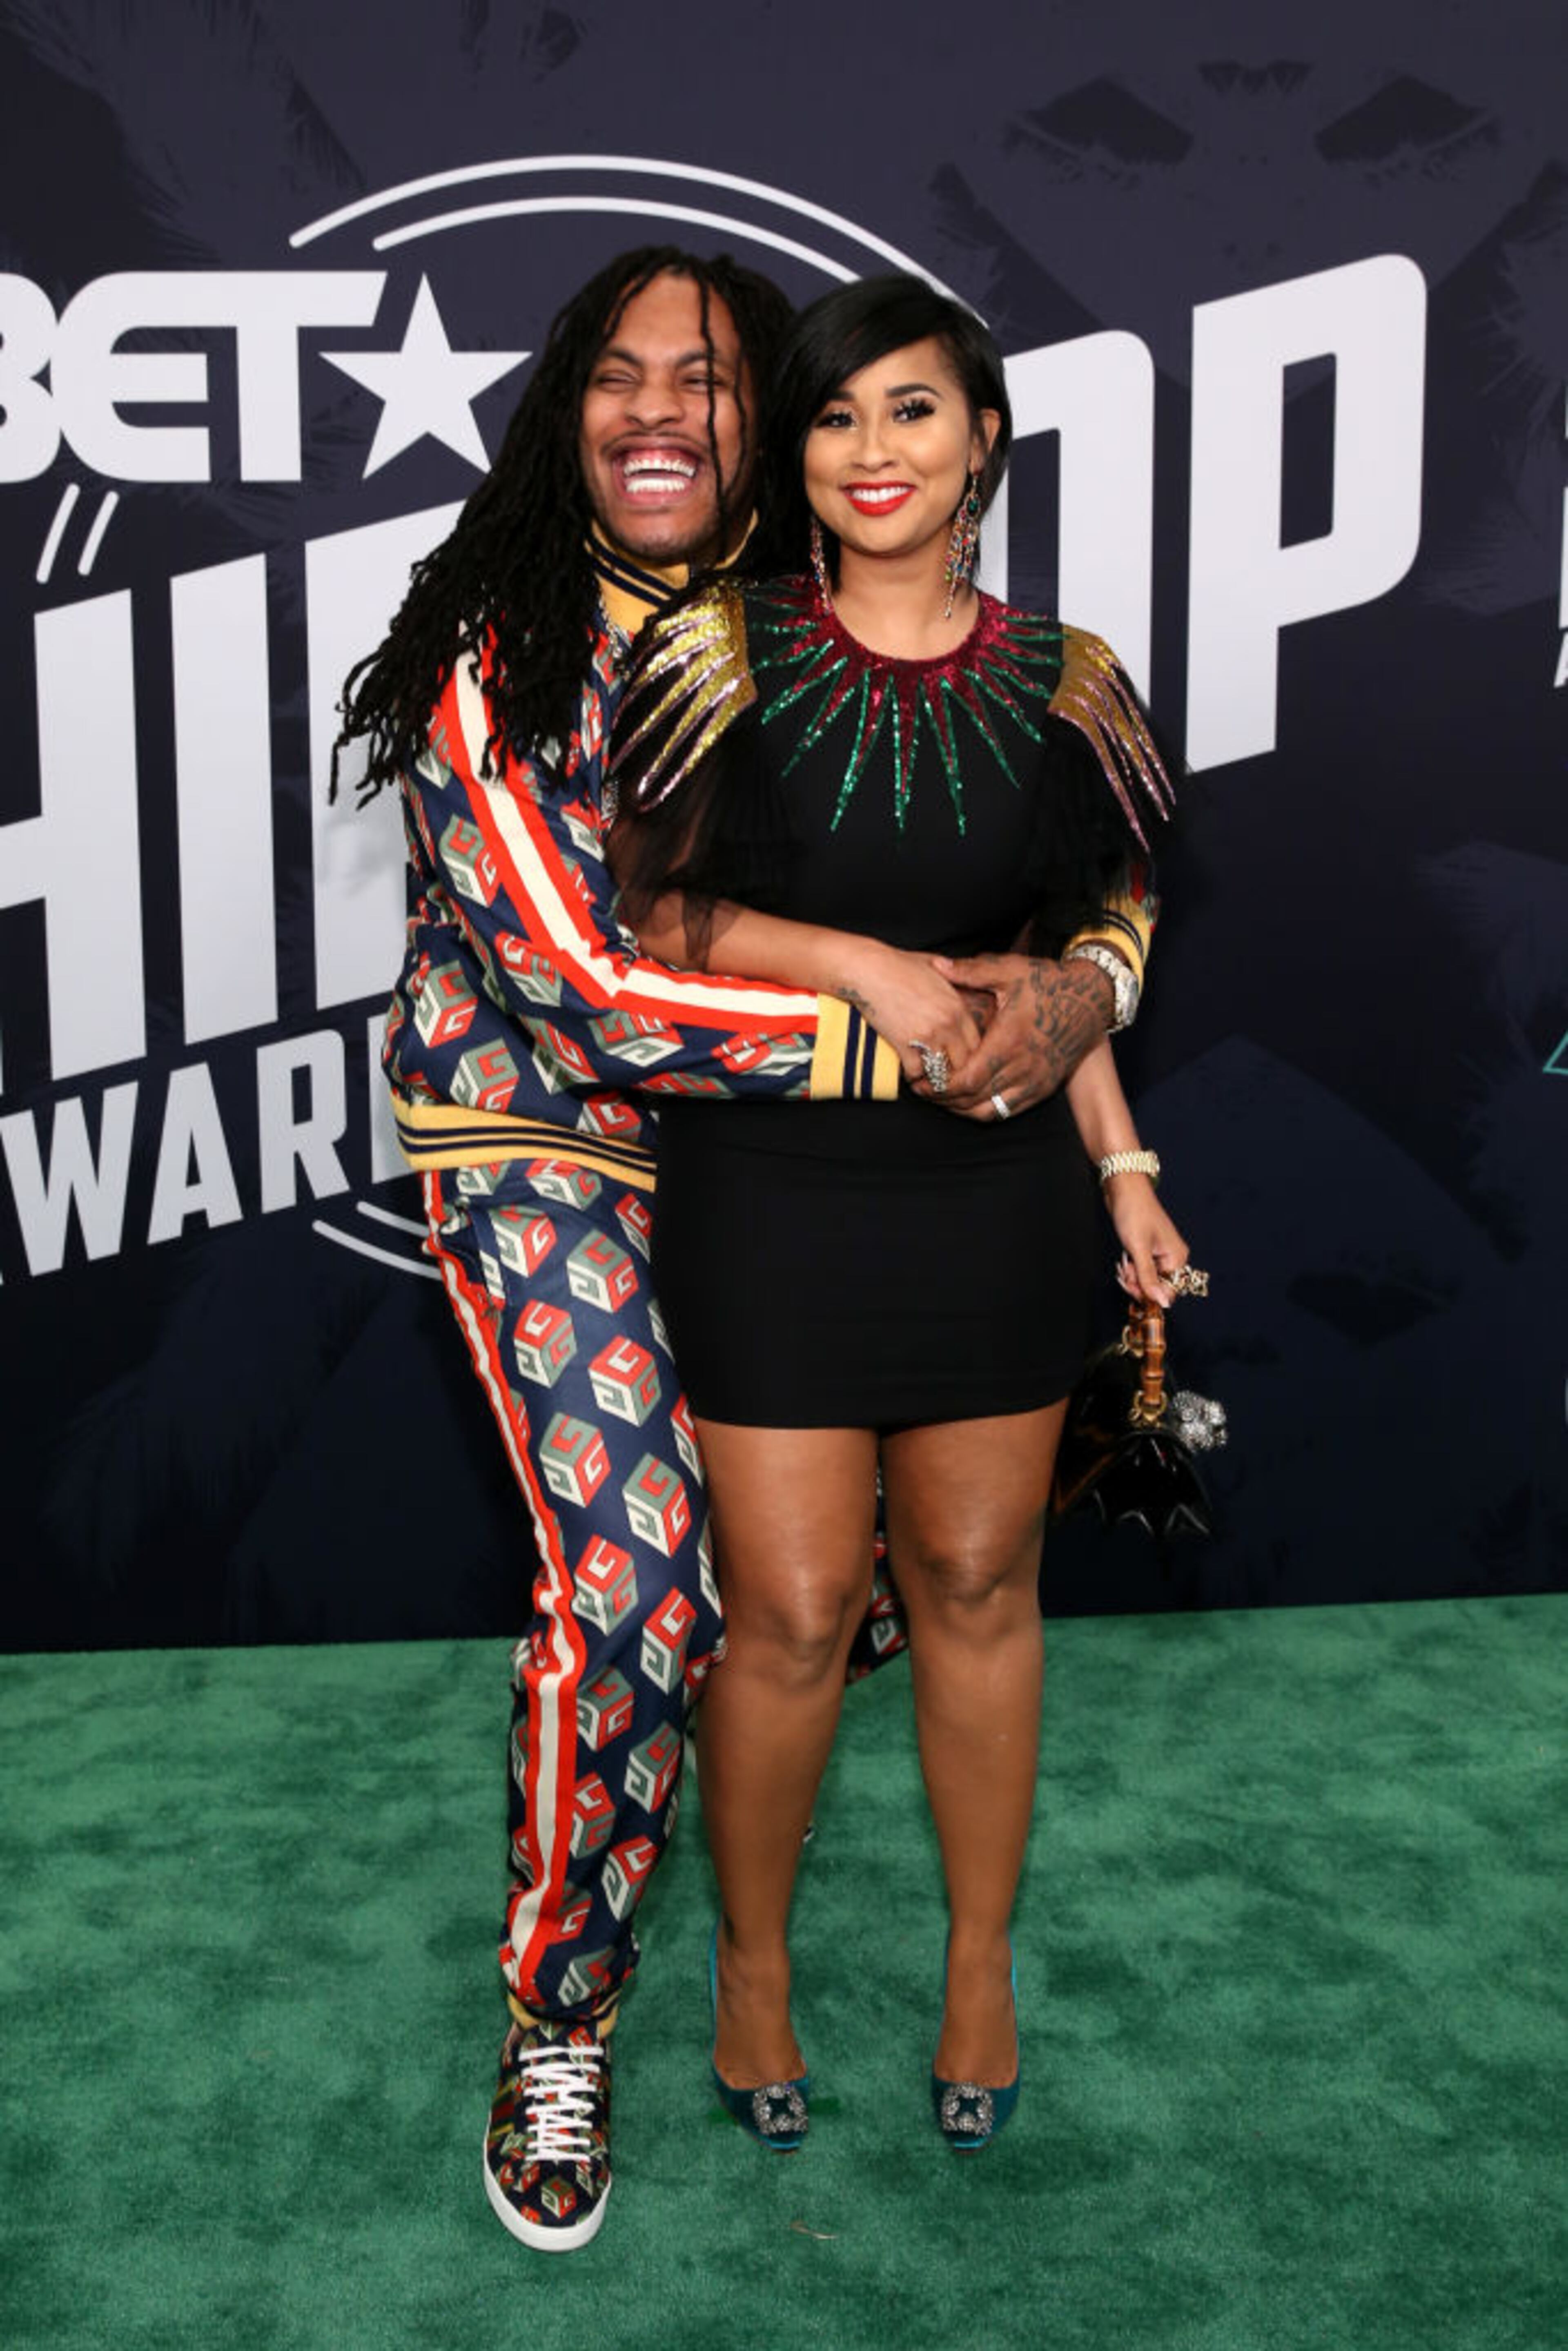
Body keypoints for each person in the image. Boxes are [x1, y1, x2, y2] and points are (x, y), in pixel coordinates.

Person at [332, 250, 1142, 2248]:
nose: (661, 412)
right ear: (565, 414)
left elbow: (1064, 895)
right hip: (558, 1150)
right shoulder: (493, 653)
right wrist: (940, 1025)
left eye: (708, 379)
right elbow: (598, 989)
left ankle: (854, 1866)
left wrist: (1089, 1023)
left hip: (778, 1175)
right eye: (618, 378)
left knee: (884, 1578)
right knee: (641, 1596)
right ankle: (565, 2016)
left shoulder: (806, 627)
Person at [608, 273, 1192, 2153]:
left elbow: (1093, 937)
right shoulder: (719, 651)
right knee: (782, 1609)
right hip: (772, 1188)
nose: (874, 451)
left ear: (983, 446)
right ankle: (754, 1967)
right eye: (838, 418)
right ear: (798, 454)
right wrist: (857, 959)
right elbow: (659, 914)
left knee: (974, 1585)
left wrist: (1106, 1113)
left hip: (989, 1193)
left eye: (914, 413)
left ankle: (977, 1964)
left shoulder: (1073, 679)